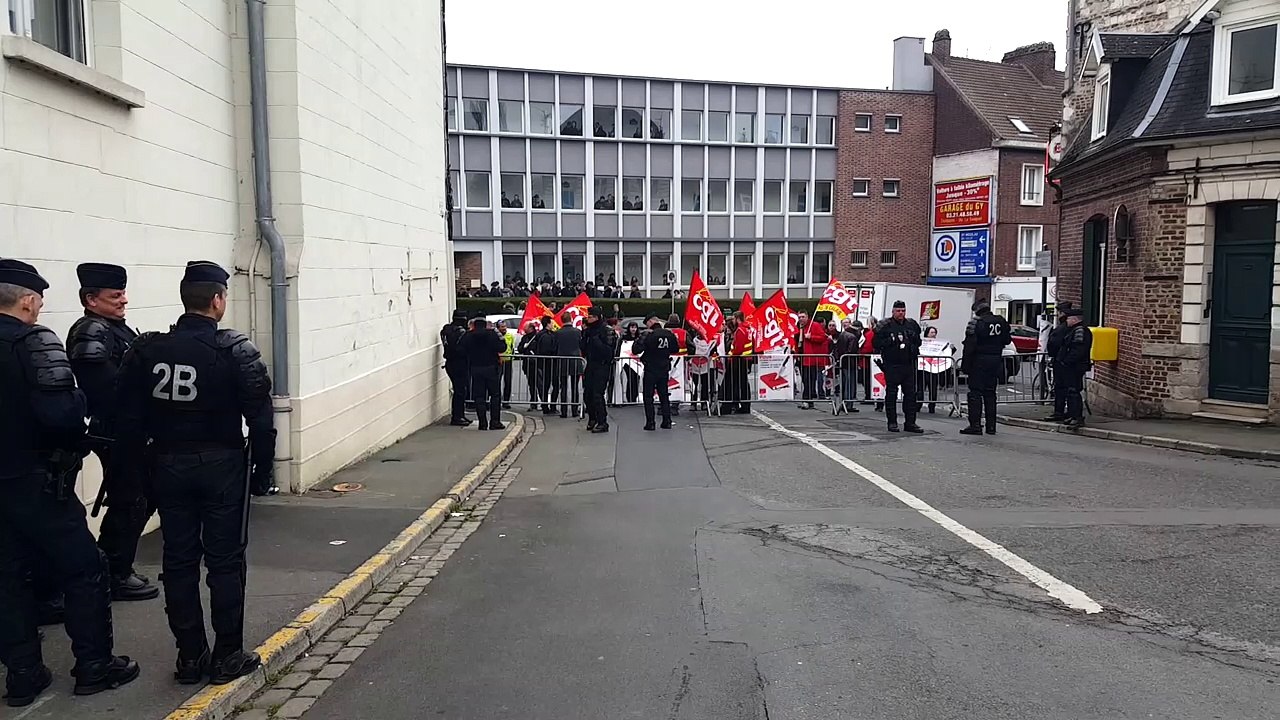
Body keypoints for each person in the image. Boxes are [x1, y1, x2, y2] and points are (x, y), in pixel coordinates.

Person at [115, 260, 274, 687]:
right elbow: (261, 419)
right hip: (222, 464)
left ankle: (190, 656)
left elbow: (127, 419)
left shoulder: (148, 350)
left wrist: (134, 474)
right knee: (225, 561)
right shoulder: (234, 350)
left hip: (167, 464)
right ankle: (228, 654)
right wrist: (263, 472)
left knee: (179, 560)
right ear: (218, 300)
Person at [0, 259, 139, 705]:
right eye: (38, 300)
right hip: (38, 482)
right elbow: (62, 415)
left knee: (8, 577)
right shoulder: (34, 342)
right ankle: (94, 666)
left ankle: (23, 675)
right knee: (84, 569)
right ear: (27, 301)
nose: (40, 307)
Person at [65, 263, 160, 603]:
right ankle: (114, 573)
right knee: (130, 498)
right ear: (91, 299)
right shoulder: (91, 331)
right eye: (115, 295)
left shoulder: (114, 328)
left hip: (131, 428)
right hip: (115, 430)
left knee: (140, 497)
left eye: (123, 293)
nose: (124, 300)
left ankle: (114, 568)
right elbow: (104, 388)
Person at [960, 301, 1011, 436]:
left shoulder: (975, 323)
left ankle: (975, 425)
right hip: (995, 360)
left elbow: (970, 346)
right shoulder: (1001, 321)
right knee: (990, 393)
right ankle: (991, 427)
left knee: (975, 393)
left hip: (979, 360)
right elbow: (1007, 340)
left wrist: (965, 365)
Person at [873, 301, 924, 433]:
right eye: (898, 311)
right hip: (892, 364)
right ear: (893, 311)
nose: (901, 313)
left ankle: (910, 423)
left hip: (908, 364)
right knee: (891, 394)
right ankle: (892, 422)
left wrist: (913, 341)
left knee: (911, 395)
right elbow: (876, 343)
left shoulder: (911, 324)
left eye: (903, 311)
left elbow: (919, 342)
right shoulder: (885, 325)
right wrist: (890, 341)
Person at [458, 318, 505, 431]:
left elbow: (460, 349)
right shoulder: (492, 334)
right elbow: (502, 347)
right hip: (491, 367)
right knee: (495, 395)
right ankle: (495, 422)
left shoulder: (468, 335)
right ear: (485, 325)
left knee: (479, 396)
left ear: (474, 325)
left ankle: (482, 423)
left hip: (476, 368)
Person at [638, 314, 677, 430]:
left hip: (651, 367)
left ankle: (650, 422)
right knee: (664, 395)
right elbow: (675, 349)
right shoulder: (669, 334)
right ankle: (667, 421)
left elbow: (637, 349)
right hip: (664, 367)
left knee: (648, 396)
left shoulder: (649, 334)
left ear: (651, 322)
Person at [580, 307, 616, 433]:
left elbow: (608, 351)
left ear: (597, 317)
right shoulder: (588, 331)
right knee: (587, 394)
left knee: (597, 395)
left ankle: (602, 422)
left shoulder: (606, 330)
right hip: (591, 365)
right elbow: (583, 349)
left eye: (590, 317)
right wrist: (584, 336)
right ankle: (592, 418)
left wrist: (596, 340)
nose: (588, 319)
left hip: (602, 365)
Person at [1057, 309, 1093, 428]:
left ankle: (1077, 417)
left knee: (1073, 391)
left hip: (1075, 366)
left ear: (1075, 319)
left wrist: (1067, 361)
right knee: (1071, 391)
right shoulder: (1075, 330)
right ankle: (1072, 415)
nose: (1067, 321)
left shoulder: (1080, 331)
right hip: (1073, 365)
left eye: (1068, 319)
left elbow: (1078, 350)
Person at [1043, 302, 1074, 422]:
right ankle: (1070, 412)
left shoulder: (1061, 328)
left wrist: (1053, 355)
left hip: (1060, 361)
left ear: (1062, 313)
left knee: (1060, 388)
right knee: (1070, 388)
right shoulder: (1072, 327)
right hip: (1068, 362)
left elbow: (1053, 344)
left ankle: (1059, 412)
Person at [440, 309, 471, 427]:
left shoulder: (446, 330)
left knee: (459, 390)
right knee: (460, 391)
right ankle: (457, 417)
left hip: (450, 362)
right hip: (460, 363)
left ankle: (459, 415)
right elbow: (463, 348)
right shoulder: (461, 332)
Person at [721, 312, 754, 415]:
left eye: (734, 319)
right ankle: (745, 405)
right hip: (746, 359)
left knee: (736, 383)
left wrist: (730, 355)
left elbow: (738, 348)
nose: (733, 321)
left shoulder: (740, 330)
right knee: (744, 384)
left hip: (738, 360)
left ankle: (737, 405)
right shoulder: (748, 329)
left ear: (737, 318)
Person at [797, 312, 829, 409]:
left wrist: (811, 337)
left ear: (807, 317)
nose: (801, 319)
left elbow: (823, 337)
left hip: (810, 358)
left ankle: (807, 400)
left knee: (809, 380)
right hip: (802, 357)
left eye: (803, 317)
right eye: (799, 317)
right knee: (805, 380)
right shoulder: (799, 327)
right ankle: (808, 400)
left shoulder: (814, 325)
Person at [553, 319, 583, 418]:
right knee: (575, 387)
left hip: (562, 361)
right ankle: (574, 410)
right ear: (571, 320)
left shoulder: (558, 333)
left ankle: (564, 411)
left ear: (562, 320)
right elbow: (581, 345)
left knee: (563, 387)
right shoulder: (578, 332)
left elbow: (555, 347)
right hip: (575, 360)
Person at [833, 318, 862, 413]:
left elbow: (837, 349)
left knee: (844, 384)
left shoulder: (843, 334)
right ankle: (848, 404)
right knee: (850, 384)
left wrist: (838, 359)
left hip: (843, 362)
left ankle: (844, 403)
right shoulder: (852, 337)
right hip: (850, 362)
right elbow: (851, 350)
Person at [916, 325, 943, 415]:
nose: (933, 334)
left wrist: (951, 348)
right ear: (927, 333)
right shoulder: (922, 343)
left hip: (933, 369)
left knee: (933, 389)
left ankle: (932, 407)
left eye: (934, 332)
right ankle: (918, 405)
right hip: (923, 369)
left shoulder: (939, 344)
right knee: (920, 388)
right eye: (931, 332)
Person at [517, 320, 543, 408]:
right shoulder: (525, 338)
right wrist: (524, 347)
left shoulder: (537, 337)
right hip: (527, 364)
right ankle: (533, 402)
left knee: (539, 384)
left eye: (526, 327)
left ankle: (544, 402)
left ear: (531, 328)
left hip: (536, 364)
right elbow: (520, 349)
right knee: (531, 384)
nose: (524, 329)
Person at [496, 319, 515, 410]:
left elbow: (512, 347)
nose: (504, 328)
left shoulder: (510, 336)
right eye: (502, 327)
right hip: (499, 361)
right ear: (498, 328)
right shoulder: (496, 336)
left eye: (505, 326)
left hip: (508, 361)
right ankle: (498, 400)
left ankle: (506, 401)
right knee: (497, 382)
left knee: (508, 382)